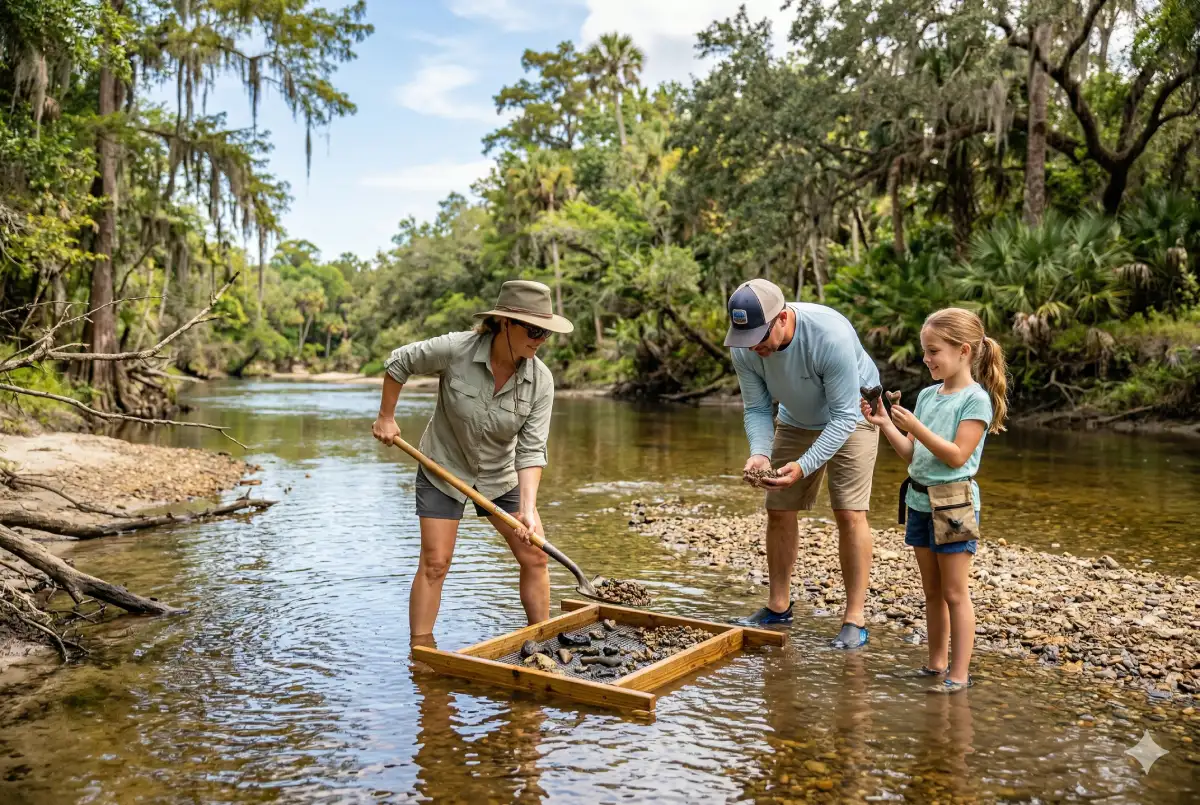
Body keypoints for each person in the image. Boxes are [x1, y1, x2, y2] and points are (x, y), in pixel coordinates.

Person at [371, 280, 573, 637]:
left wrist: (527, 508)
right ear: (506, 323)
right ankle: (421, 657)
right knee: (436, 563)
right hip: (443, 467)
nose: (541, 339)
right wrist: (387, 416)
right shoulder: (456, 348)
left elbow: (531, 449)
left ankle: (543, 644)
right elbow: (400, 361)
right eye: (535, 330)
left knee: (536, 556)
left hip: (501, 474)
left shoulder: (541, 381)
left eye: (546, 332)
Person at [725, 278, 881, 649]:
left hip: (854, 413)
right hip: (796, 416)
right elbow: (758, 407)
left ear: (782, 318)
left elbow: (844, 416)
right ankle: (778, 607)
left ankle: (854, 619)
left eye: (761, 338)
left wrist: (805, 464)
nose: (755, 348)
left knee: (849, 512)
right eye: (747, 339)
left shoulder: (829, 335)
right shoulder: (745, 346)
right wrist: (760, 452)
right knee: (778, 507)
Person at [861, 307, 1008, 692]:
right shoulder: (927, 394)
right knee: (930, 591)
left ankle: (959, 674)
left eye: (933, 351)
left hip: (955, 503)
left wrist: (917, 427)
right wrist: (886, 425)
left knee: (955, 592)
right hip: (919, 500)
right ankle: (935, 663)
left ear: (963, 351)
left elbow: (957, 455)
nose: (926, 359)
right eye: (925, 351)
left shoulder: (975, 400)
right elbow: (912, 454)